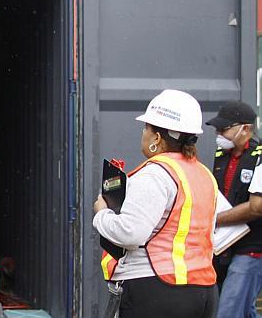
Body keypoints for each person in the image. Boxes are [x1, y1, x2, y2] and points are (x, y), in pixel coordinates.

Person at [94, 89, 219, 318]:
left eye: (146, 128)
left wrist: (102, 213)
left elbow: (130, 233)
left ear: (157, 138)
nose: (143, 133)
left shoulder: (155, 174)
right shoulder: (203, 174)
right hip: (203, 291)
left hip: (155, 290)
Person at [206, 101, 262, 318]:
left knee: (228, 311)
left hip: (252, 247)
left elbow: (256, 207)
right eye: (217, 129)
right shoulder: (222, 155)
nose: (219, 134)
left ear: (246, 128)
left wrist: (215, 220)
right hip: (224, 245)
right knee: (243, 310)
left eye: (224, 129)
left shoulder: (259, 156)